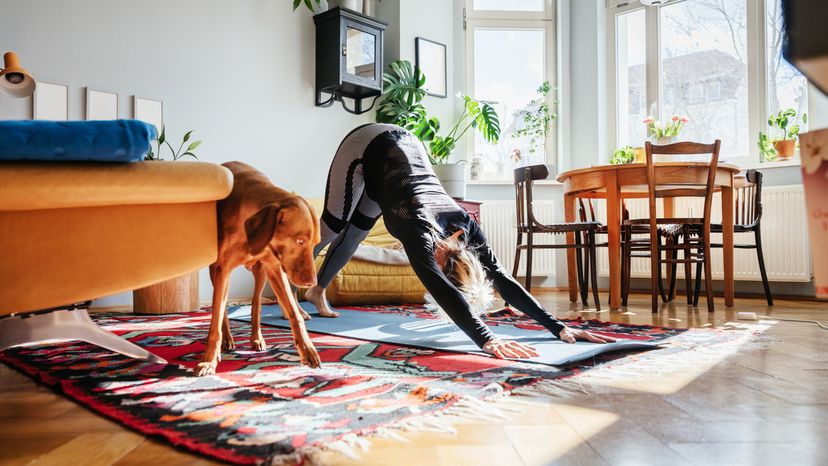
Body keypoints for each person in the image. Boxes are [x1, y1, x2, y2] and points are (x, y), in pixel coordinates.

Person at [304, 123, 615, 359]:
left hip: (394, 171)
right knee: (332, 228)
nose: (432, 269)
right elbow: (442, 289)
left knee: (356, 233)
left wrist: (557, 327)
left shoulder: (468, 230)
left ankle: (317, 290)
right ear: (446, 262)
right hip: (369, 144)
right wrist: (486, 338)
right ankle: (291, 272)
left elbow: (503, 279)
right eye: (438, 269)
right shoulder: (420, 231)